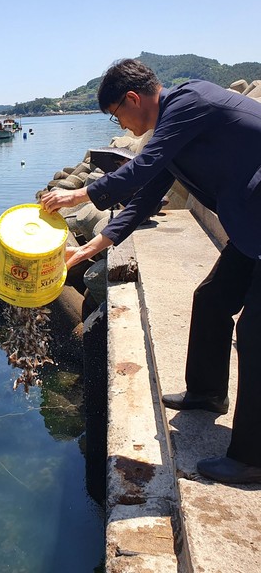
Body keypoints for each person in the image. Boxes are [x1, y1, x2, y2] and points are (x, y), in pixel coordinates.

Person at [40, 58, 261, 485]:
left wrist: (82, 193)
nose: (119, 123)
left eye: (116, 114)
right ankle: (207, 392)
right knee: (212, 299)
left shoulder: (190, 102)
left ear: (132, 99)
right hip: (251, 225)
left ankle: (252, 457)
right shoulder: (174, 128)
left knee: (255, 335)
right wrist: (93, 245)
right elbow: (146, 195)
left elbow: (141, 169)